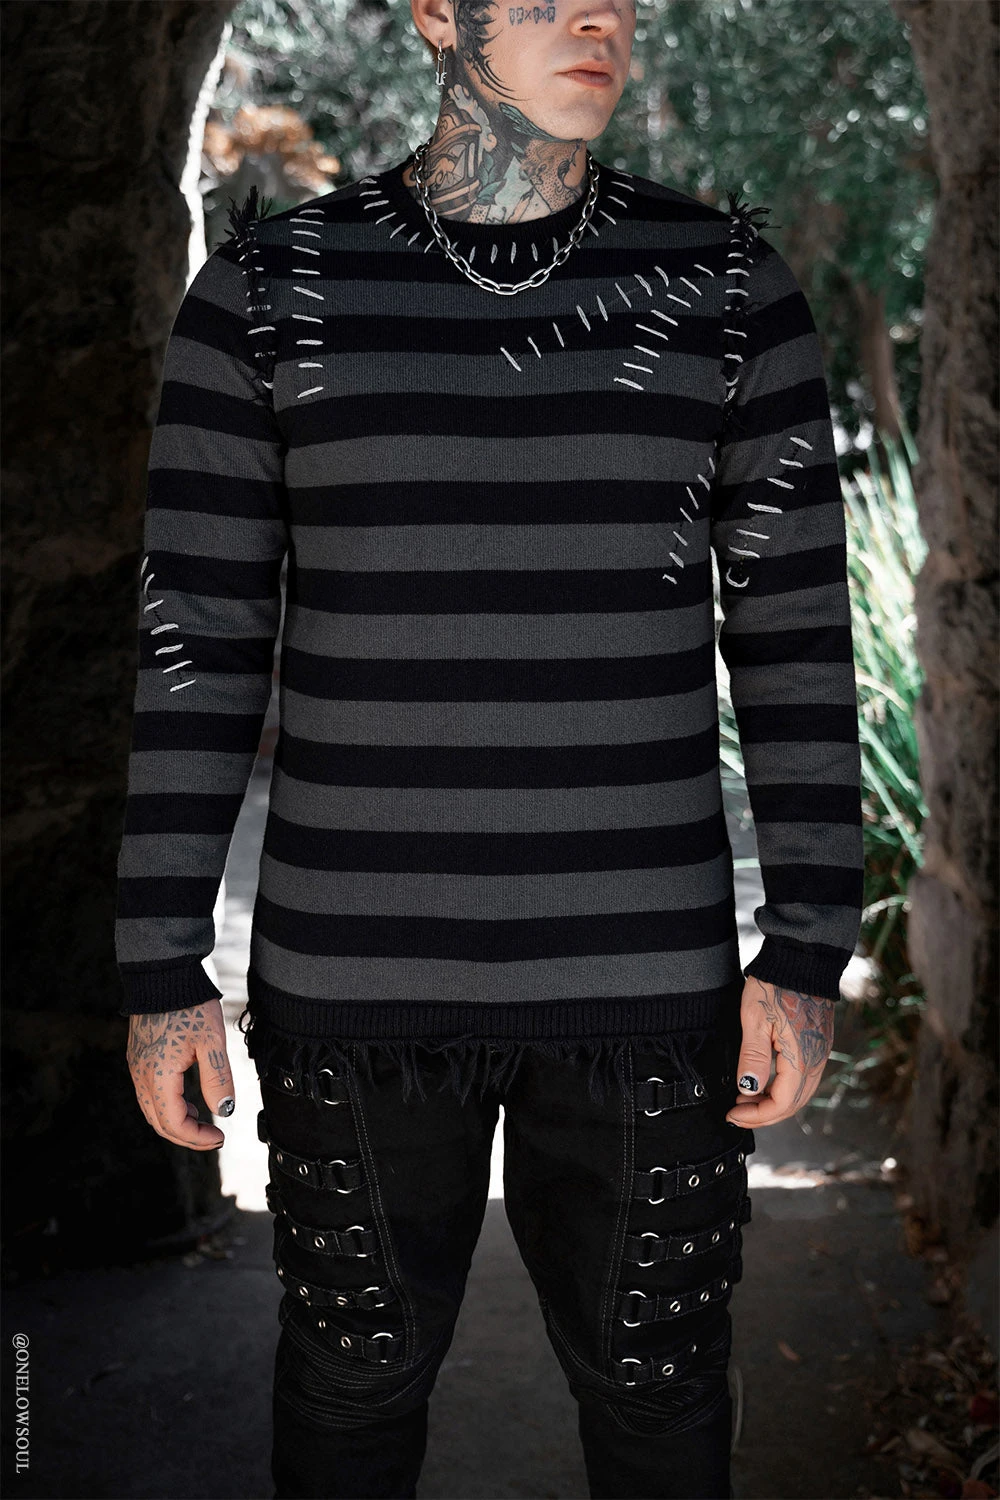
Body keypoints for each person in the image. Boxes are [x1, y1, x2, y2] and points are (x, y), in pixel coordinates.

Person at [116, 1, 865, 1495]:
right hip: (356, 983)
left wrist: (806, 948)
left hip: (647, 982)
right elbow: (196, 638)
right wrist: (158, 965)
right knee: (348, 1393)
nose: (597, 18)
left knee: (661, 1399)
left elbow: (795, 638)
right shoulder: (268, 291)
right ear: (436, 16)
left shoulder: (726, 289)